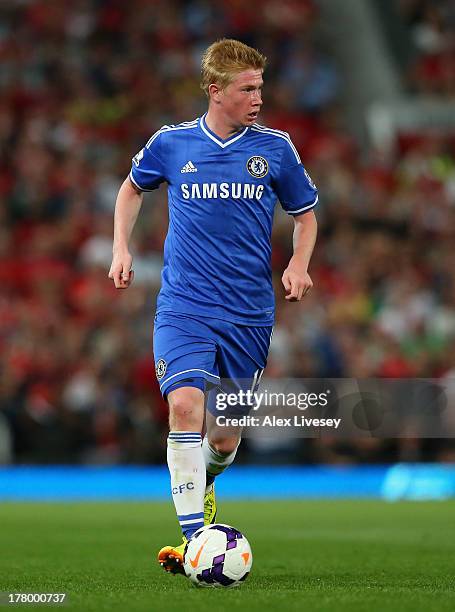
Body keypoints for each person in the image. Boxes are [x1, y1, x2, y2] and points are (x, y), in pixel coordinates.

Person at [108, 38, 318, 575]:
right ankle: (195, 540)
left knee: (223, 438)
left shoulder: (275, 149)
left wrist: (297, 265)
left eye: (260, 88)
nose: (258, 98)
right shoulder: (172, 143)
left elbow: (305, 216)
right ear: (215, 90)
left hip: (248, 312)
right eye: (248, 89)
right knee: (184, 407)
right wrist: (121, 247)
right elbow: (131, 190)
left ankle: (206, 488)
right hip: (185, 306)